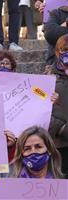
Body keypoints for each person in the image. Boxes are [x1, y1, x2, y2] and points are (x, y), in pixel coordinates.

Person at [48, 34, 68, 178]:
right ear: (57, 52)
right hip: (60, 144)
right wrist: (62, 128)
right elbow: (39, 111)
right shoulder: (46, 79)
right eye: (65, 49)